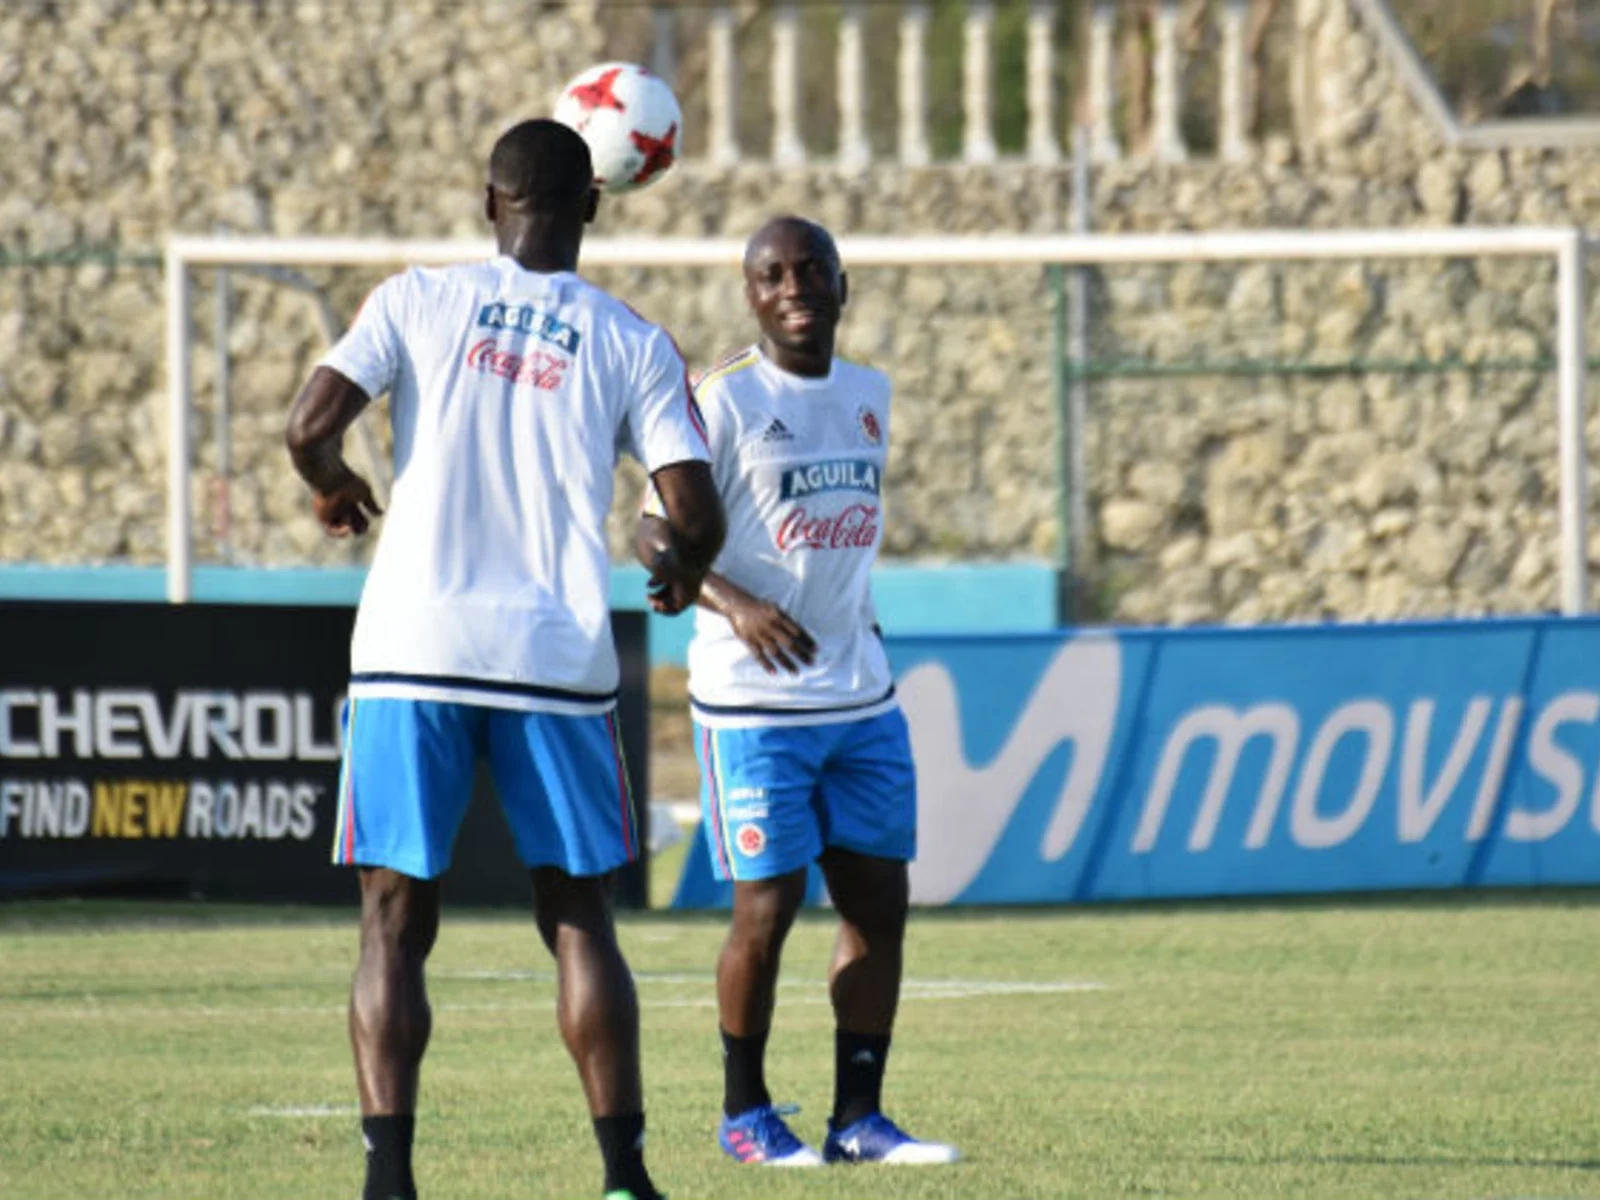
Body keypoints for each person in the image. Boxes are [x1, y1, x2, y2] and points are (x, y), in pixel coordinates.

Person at [285, 118, 724, 1200]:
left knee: (393, 921)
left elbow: (306, 427)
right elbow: (694, 510)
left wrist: (335, 484)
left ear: (491, 204)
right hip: (552, 658)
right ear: (596, 209)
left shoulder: (415, 298)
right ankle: (624, 1179)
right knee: (579, 919)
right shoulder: (630, 340)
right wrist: (670, 568)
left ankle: (390, 1184)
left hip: (412, 650)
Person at [637, 216, 958, 1168]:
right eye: (773, 274)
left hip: (860, 698)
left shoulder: (869, 393)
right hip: (753, 704)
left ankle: (858, 1120)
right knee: (764, 915)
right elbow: (653, 535)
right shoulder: (721, 398)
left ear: (841, 284)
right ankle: (746, 1113)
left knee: (877, 911)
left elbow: (836, 535)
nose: (794, 286)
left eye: (811, 270)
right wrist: (732, 603)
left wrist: (857, 617)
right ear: (751, 294)